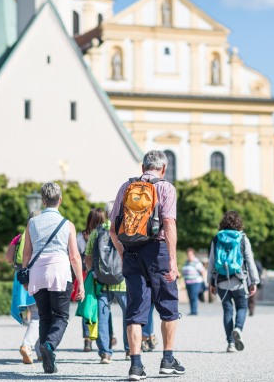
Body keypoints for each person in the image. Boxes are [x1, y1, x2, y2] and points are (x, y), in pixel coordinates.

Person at [110, 150, 185, 381]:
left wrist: (123, 254)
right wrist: (172, 260)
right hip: (157, 251)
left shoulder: (126, 187)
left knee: (134, 310)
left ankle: (135, 366)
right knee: (168, 305)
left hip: (131, 251)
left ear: (143, 167)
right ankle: (168, 360)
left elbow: (113, 228)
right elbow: (169, 223)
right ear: (163, 169)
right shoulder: (166, 188)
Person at [22, 182, 85, 374]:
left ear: (42, 200)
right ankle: (49, 345)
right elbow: (74, 256)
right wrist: (80, 283)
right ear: (60, 200)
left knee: (44, 317)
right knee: (62, 316)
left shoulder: (32, 222)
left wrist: (25, 278)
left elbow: (26, 253)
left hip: (38, 273)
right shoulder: (67, 224)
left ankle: (47, 361)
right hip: (59, 272)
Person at [207, 211, 260, 353]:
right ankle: (238, 328)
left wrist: (210, 282)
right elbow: (249, 260)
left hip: (221, 281)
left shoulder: (217, 238)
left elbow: (211, 261)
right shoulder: (242, 238)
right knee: (242, 307)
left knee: (227, 310)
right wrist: (254, 281)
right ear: (239, 223)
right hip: (239, 280)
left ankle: (230, 343)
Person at [85, 201, 129, 364]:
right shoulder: (125, 228)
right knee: (128, 315)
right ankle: (129, 350)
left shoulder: (97, 231)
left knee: (102, 316)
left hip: (102, 280)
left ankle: (105, 353)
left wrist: (94, 273)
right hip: (122, 280)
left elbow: (88, 256)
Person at [6, 211, 42, 364]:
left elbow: (8, 258)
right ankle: (27, 345)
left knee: (38, 315)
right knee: (39, 315)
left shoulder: (19, 237)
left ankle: (40, 352)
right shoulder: (40, 235)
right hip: (36, 277)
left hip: (20, 277)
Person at [76, 208, 108, 352]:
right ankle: (107, 337)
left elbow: (77, 257)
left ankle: (87, 339)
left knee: (87, 306)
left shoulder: (81, 236)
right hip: (104, 274)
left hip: (85, 274)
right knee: (103, 306)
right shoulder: (106, 234)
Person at [182, 247, 207, 316]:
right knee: (190, 297)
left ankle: (194, 311)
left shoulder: (196, 262)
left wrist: (204, 282)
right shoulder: (187, 262)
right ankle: (192, 310)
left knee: (193, 296)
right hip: (188, 282)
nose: (189, 256)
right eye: (188, 254)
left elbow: (203, 272)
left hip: (195, 282)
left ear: (193, 254)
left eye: (190, 254)